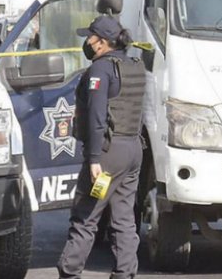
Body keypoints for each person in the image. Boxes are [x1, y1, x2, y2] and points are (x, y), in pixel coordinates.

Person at [57, 15, 146, 279]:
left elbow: (97, 116)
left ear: (102, 42)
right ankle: (125, 273)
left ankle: (69, 273)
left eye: (90, 37)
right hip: (132, 151)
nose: (87, 42)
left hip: (108, 157)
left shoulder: (100, 70)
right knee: (123, 219)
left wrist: (94, 158)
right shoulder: (133, 65)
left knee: (86, 217)